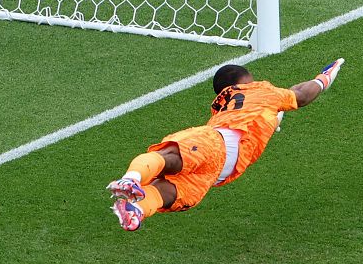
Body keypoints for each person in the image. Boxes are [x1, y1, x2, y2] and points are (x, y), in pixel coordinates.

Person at [108, 59, 345, 230]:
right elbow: (299, 94)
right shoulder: (256, 90)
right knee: (171, 164)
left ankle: (135, 210)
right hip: (221, 155)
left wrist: (271, 121)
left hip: (217, 162)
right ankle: (131, 180)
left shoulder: (226, 107)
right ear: (241, 81)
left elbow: (256, 118)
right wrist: (323, 79)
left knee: (169, 185)